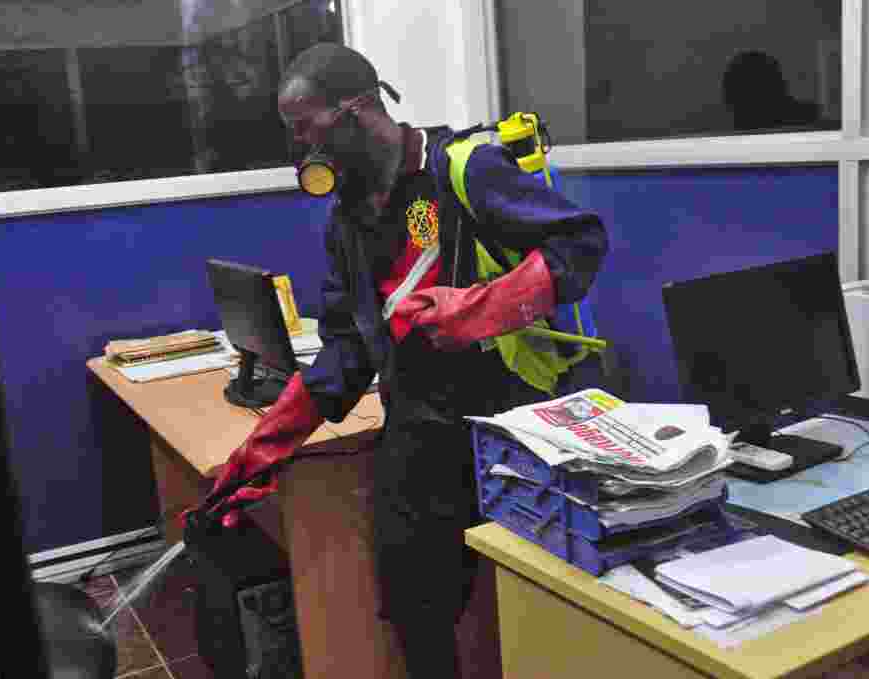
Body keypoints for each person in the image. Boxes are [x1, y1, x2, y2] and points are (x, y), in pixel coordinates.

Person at [206, 42, 608, 678]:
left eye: (306, 129)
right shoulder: (347, 220)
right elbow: (346, 350)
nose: (302, 151)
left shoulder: (466, 168)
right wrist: (263, 450)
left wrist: (482, 308)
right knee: (414, 604)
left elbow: (580, 243)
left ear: (356, 110)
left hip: (516, 419)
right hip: (421, 424)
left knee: (546, 602)